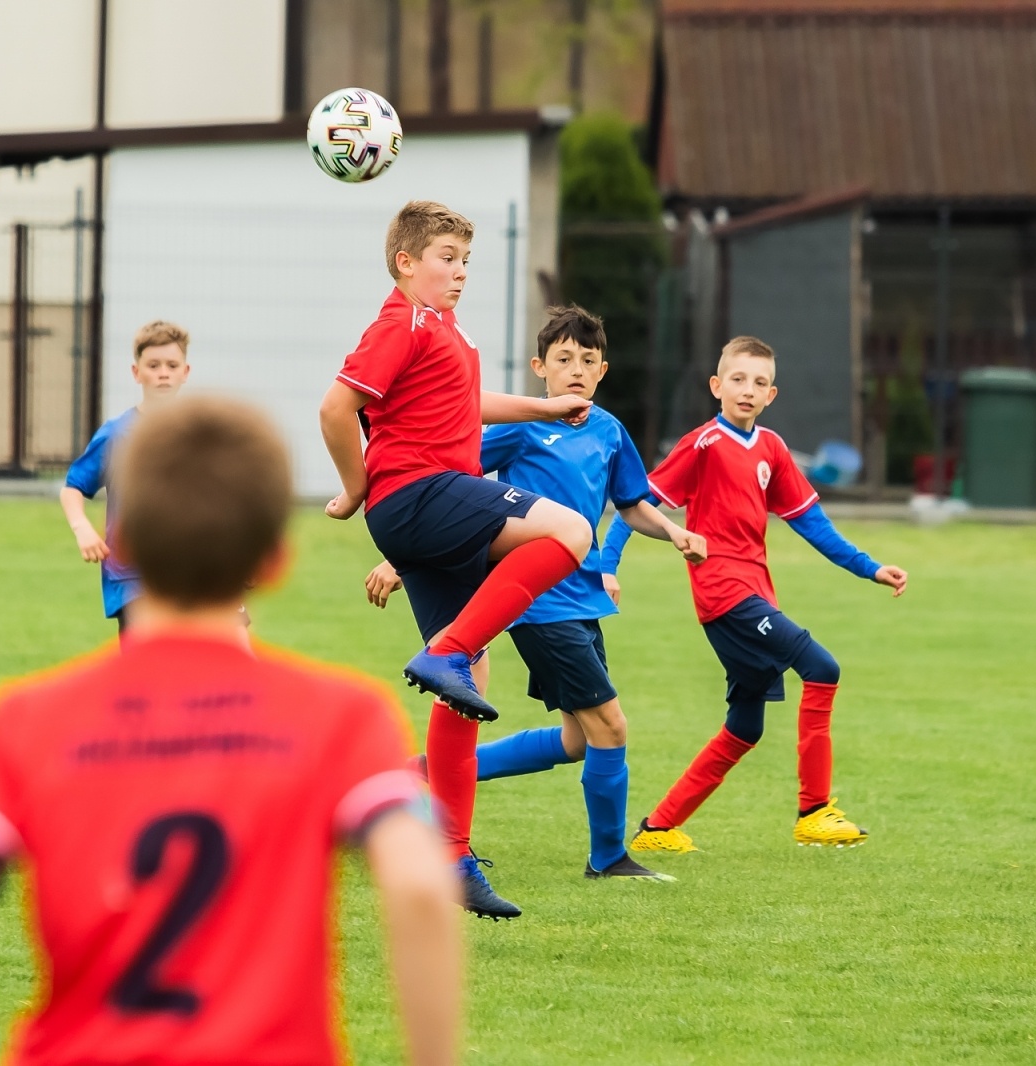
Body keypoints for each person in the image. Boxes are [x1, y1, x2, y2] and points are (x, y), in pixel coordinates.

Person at [0, 396, 462, 1066]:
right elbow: (420, 886)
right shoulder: (344, 716)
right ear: (274, 559)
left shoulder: (26, 719)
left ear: (126, 545)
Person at [319, 201, 594, 920]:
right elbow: (334, 407)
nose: (460, 271)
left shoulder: (440, 329)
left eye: (465, 260)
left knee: (465, 685)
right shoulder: (400, 322)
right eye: (446, 256)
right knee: (568, 533)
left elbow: (466, 403)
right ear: (406, 262)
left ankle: (451, 857)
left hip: (423, 505)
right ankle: (451, 648)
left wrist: (544, 406)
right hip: (420, 494)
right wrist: (356, 487)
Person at [366, 305, 706, 882]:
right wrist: (402, 556)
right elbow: (446, 487)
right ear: (539, 368)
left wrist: (673, 530)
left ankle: (425, 772)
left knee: (579, 738)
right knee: (610, 727)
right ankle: (609, 859)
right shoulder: (521, 429)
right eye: (564, 360)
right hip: (538, 601)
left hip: (585, 598)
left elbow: (629, 504)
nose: (576, 370)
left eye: (588, 361)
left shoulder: (609, 432)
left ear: (603, 371)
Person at [607, 336, 909, 854]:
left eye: (760, 383)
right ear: (716, 385)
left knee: (745, 726)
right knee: (823, 667)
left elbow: (813, 524)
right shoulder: (702, 443)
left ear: (772, 395)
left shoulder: (771, 448)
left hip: (754, 595)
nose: (748, 390)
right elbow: (635, 505)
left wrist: (870, 567)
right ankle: (814, 811)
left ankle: (659, 827)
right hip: (726, 595)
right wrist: (605, 566)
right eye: (739, 379)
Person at [59, 320, 192, 639]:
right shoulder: (117, 434)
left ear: (185, 372)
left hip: (187, 572)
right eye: (154, 365)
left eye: (172, 365)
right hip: (132, 576)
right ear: (137, 373)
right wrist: (82, 529)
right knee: (144, 677)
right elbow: (73, 488)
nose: (163, 372)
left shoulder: (196, 434)